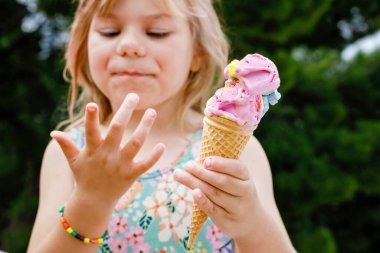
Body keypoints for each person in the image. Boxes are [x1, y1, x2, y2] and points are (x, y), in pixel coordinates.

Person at [27, 0, 296, 252]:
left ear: (197, 54)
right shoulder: (68, 152)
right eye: (109, 32)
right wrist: (90, 204)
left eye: (156, 32)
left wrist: (251, 225)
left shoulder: (242, 153)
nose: (129, 45)